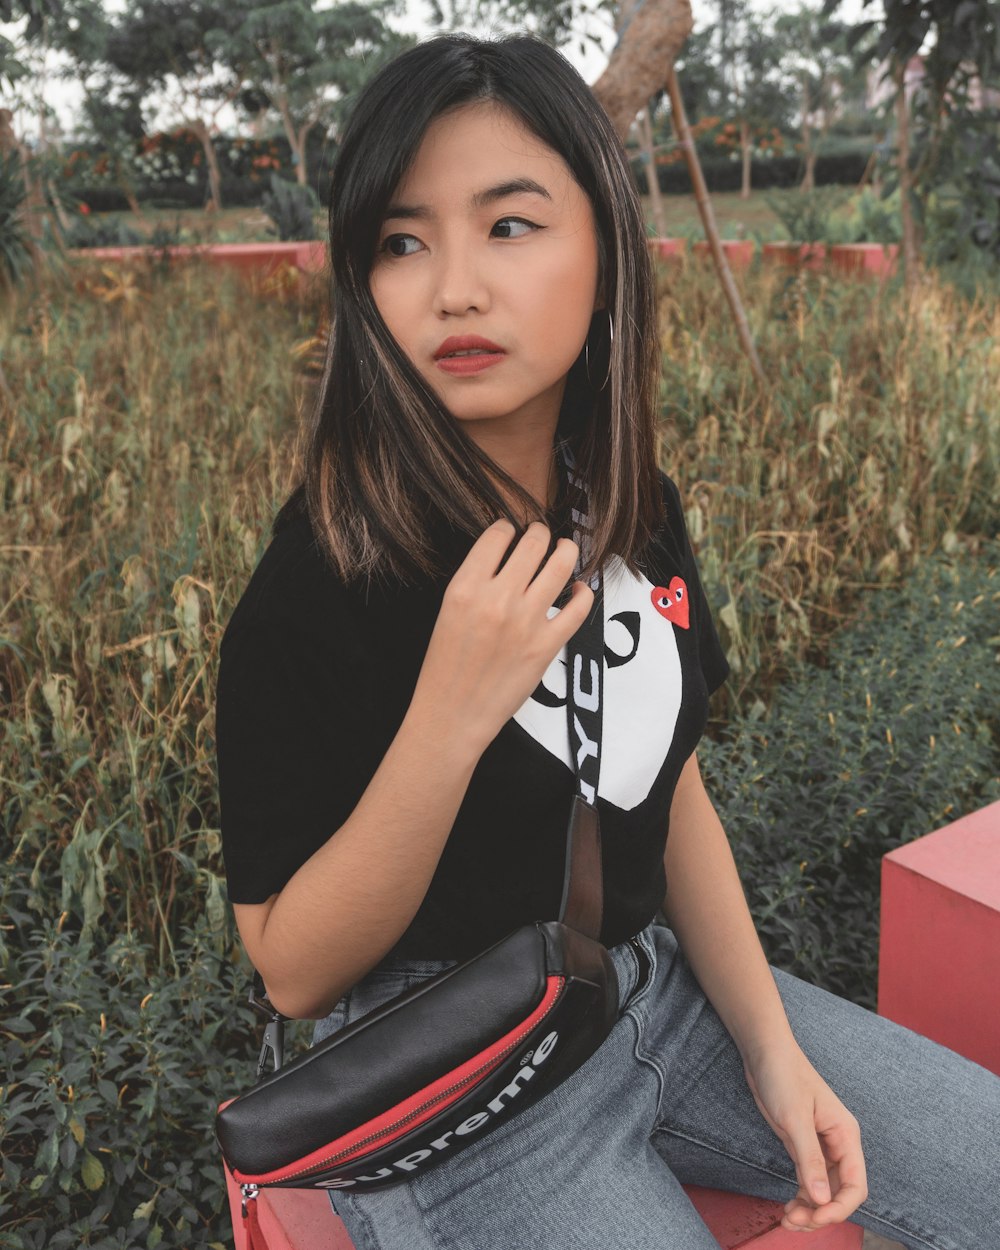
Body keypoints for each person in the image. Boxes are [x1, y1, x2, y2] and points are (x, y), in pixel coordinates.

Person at [215, 33, 1000, 1250]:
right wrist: (450, 712)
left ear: (604, 250)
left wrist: (771, 1046)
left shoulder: (626, 503)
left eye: (510, 225)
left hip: (651, 993)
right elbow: (291, 969)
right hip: (461, 1072)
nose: (453, 287)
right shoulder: (329, 575)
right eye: (401, 241)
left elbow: (663, 783)